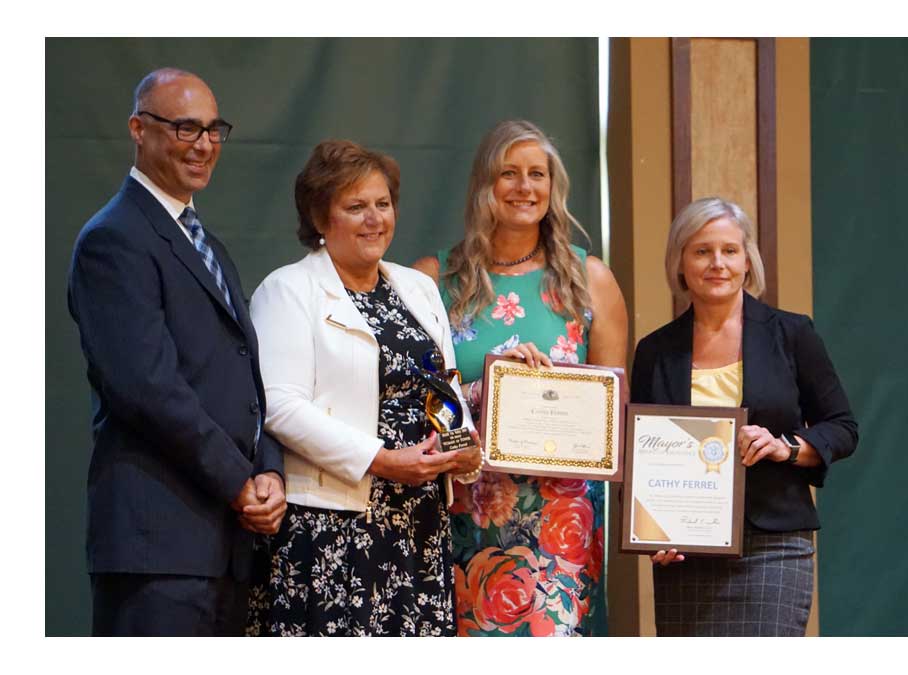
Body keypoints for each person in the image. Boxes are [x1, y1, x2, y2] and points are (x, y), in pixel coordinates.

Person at [67, 68, 286, 636]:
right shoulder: (113, 239)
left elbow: (246, 381)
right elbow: (146, 387)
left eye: (215, 130)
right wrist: (241, 481)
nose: (205, 144)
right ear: (139, 129)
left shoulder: (208, 246)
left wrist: (270, 472)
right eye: (187, 128)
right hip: (155, 548)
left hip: (228, 548)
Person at [245, 139, 483, 637]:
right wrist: (381, 459)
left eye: (382, 203)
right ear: (320, 218)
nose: (375, 218)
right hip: (332, 527)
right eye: (355, 207)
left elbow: (444, 386)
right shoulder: (288, 290)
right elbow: (279, 406)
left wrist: (463, 451)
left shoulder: (416, 287)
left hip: (420, 523)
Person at [413, 119, 628, 636]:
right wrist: (481, 392)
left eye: (538, 174)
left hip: (563, 519)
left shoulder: (589, 278)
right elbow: (410, 400)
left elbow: (616, 408)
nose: (524, 187)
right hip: (466, 504)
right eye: (509, 173)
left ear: (553, 189)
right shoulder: (432, 278)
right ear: (485, 184)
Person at [630, 197, 859, 636]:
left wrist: (786, 447)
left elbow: (843, 428)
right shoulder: (654, 350)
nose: (717, 263)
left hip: (773, 545)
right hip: (686, 552)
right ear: (680, 263)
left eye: (730, 250)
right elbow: (640, 453)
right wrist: (650, 533)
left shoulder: (792, 334)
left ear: (748, 261)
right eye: (702, 251)